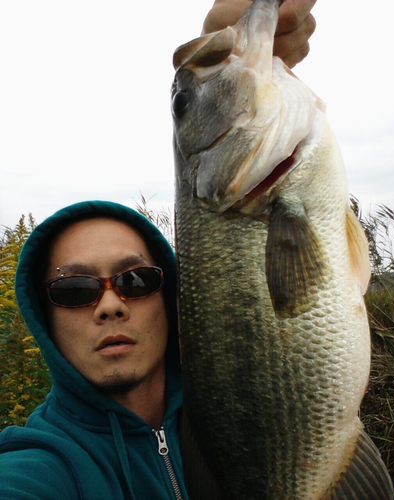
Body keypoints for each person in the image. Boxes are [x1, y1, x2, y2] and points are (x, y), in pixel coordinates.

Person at [0, 2, 317, 499]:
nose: (110, 304)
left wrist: (237, 47)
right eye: (75, 289)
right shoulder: (43, 468)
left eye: (136, 280)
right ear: (45, 315)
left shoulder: (238, 406)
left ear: (175, 297)